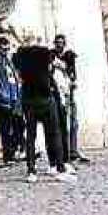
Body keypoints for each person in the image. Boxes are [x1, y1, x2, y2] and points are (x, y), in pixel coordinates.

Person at [12, 34, 73, 182]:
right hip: (45, 98)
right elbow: (61, 66)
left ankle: (31, 171)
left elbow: (18, 74)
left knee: (31, 137)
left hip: (28, 99)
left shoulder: (20, 56)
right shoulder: (44, 53)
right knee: (54, 134)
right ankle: (59, 168)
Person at [52, 33, 88, 164]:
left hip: (69, 93)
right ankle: (62, 150)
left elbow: (73, 74)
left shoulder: (69, 56)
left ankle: (73, 150)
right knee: (61, 124)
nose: (59, 45)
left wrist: (70, 75)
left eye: (61, 42)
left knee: (73, 123)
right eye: (57, 42)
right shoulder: (51, 56)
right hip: (57, 94)